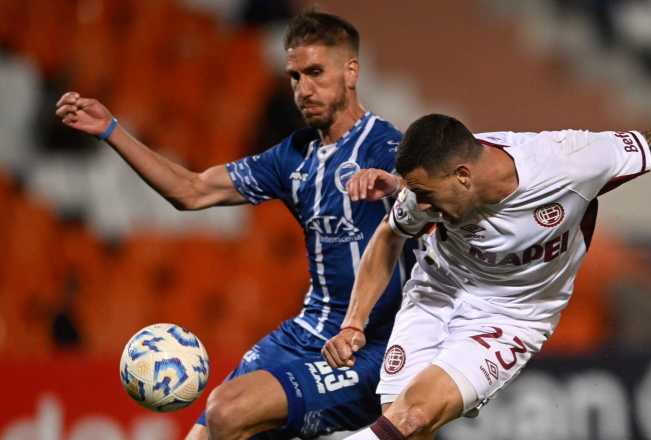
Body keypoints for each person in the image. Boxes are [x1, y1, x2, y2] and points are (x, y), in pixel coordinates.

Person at [322, 114, 651, 439]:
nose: (420, 206)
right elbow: (390, 235)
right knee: (404, 426)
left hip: (514, 314)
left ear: (464, 177)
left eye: (428, 196)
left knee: (412, 417)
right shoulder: (426, 190)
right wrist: (354, 323)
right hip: (437, 290)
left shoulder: (568, 162)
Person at [55, 11, 413, 440]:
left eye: (316, 72)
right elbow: (192, 191)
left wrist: (400, 183)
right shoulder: (292, 157)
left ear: (351, 71)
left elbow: (439, 191)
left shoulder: (387, 146)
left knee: (229, 411)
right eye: (295, 77)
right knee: (203, 434)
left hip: (372, 347)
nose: (304, 89)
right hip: (306, 333)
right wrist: (112, 131)